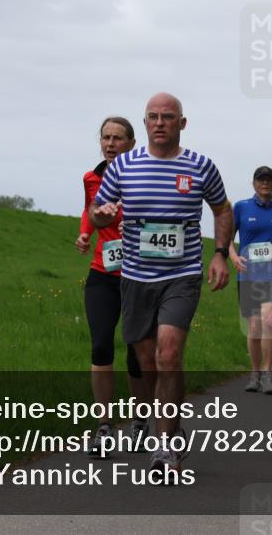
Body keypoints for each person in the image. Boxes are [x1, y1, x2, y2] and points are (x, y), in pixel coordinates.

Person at [91, 93, 233, 477]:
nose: (159, 123)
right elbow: (98, 212)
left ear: (181, 123)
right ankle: (168, 423)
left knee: (169, 355)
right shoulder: (123, 165)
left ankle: (166, 446)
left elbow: (222, 209)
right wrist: (101, 214)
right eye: (153, 117)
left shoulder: (201, 166)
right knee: (148, 361)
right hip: (135, 278)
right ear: (146, 121)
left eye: (167, 117)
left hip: (182, 276)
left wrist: (220, 253)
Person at [76, 117, 152, 455]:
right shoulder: (92, 177)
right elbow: (89, 210)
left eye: (117, 138)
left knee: (137, 353)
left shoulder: (146, 175)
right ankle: (104, 426)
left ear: (131, 143)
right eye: (105, 137)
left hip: (139, 274)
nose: (110, 143)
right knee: (101, 345)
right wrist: (85, 233)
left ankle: (139, 421)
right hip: (102, 272)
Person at [231, 166, 272, 395]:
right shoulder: (241, 207)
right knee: (255, 326)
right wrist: (233, 256)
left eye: (268, 180)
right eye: (261, 180)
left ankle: (268, 376)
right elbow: (228, 237)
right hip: (248, 274)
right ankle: (254, 373)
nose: (264, 183)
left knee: (269, 321)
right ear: (254, 183)